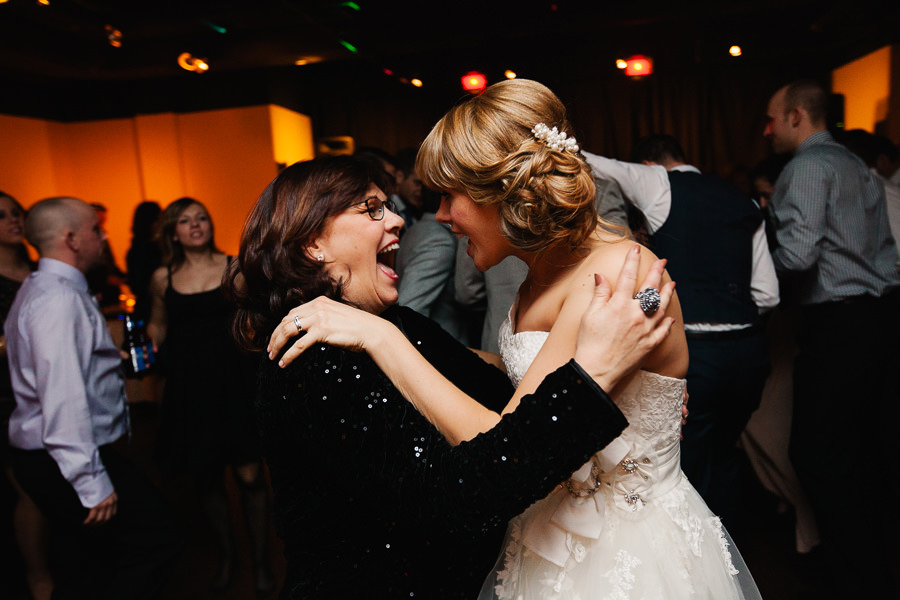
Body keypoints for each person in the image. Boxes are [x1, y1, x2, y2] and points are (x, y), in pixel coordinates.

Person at [271, 80, 760, 599]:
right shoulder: (536, 277)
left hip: (623, 553)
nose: (438, 216)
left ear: (501, 191)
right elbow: (532, 376)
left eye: (449, 196)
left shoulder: (617, 274)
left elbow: (505, 446)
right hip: (545, 535)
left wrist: (380, 337)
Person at [224, 154, 677, 599]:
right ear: (312, 243)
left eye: (390, 206)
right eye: (372, 209)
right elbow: (468, 495)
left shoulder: (390, 322)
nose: (397, 221)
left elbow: (500, 395)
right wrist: (595, 377)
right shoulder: (313, 359)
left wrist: (629, 389)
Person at [584, 135, 779, 526]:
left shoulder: (658, 182)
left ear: (649, 165)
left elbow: (592, 162)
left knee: (688, 467)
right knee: (725, 453)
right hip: (749, 354)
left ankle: (702, 560)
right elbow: (768, 295)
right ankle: (731, 554)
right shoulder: (742, 202)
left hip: (699, 355)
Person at [763, 79, 900, 597]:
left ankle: (856, 577)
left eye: (773, 118)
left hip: (841, 326)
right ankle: (872, 566)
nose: (767, 129)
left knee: (818, 454)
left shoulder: (806, 167)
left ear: (798, 116)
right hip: (882, 318)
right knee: (864, 450)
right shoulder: (852, 163)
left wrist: (754, 260)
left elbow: (797, 258)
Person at [6, 196, 181, 600]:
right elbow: (61, 398)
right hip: (63, 455)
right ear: (70, 238)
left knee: (86, 560)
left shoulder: (43, 286)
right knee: (157, 540)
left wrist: (104, 360)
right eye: (95, 230)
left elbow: (51, 366)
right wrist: (91, 481)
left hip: (52, 453)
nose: (103, 238)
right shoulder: (58, 299)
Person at [147, 197, 273, 594]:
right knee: (206, 479)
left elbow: (259, 316)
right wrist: (142, 350)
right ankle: (227, 557)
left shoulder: (234, 268)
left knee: (250, 475)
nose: (195, 225)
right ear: (173, 232)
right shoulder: (163, 277)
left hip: (234, 383)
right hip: (190, 389)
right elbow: (158, 324)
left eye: (201, 217)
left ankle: (262, 562)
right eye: (185, 221)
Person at [0, 192, 51, 600]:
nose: (13, 220)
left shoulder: (39, 271)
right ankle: (37, 576)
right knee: (25, 487)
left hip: (50, 389)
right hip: (8, 394)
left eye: (17, 212)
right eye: (2, 216)